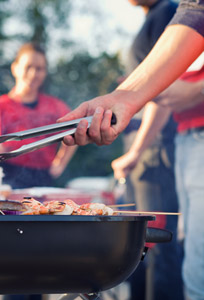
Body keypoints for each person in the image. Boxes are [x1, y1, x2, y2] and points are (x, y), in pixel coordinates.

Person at [58, 1, 204, 299]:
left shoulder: (162, 12)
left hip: (164, 148)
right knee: (192, 268)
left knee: (172, 256)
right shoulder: (171, 14)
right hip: (187, 138)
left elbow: (160, 98)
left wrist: (136, 150)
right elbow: (196, 14)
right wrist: (121, 98)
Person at [111, 1, 183, 299]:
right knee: (136, 250)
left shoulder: (166, 13)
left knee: (157, 252)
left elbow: (163, 90)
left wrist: (136, 152)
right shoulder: (152, 17)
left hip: (154, 153)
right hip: (143, 153)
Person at [0, 42, 77, 189]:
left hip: (43, 178)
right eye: (28, 67)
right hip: (5, 178)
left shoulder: (55, 106)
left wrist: (60, 163)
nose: (33, 74)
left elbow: (75, 130)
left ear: (45, 73)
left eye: (39, 69)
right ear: (15, 68)